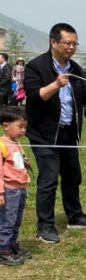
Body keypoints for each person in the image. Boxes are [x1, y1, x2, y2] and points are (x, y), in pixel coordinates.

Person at [23, 22, 86, 244]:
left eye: (74, 43)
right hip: (44, 133)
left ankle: (75, 216)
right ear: (54, 42)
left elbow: (81, 100)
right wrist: (56, 84)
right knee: (48, 179)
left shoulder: (75, 69)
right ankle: (45, 226)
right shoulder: (36, 67)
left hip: (68, 132)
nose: (71, 47)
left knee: (72, 176)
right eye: (67, 43)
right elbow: (35, 96)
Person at [0, 109, 31, 266]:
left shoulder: (16, 143)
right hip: (9, 190)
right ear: (6, 125)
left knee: (16, 220)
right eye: (20, 127)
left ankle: (12, 246)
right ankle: (3, 250)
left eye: (25, 127)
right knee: (7, 221)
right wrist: (0, 192)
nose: (23, 131)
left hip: (20, 188)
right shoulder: (2, 144)